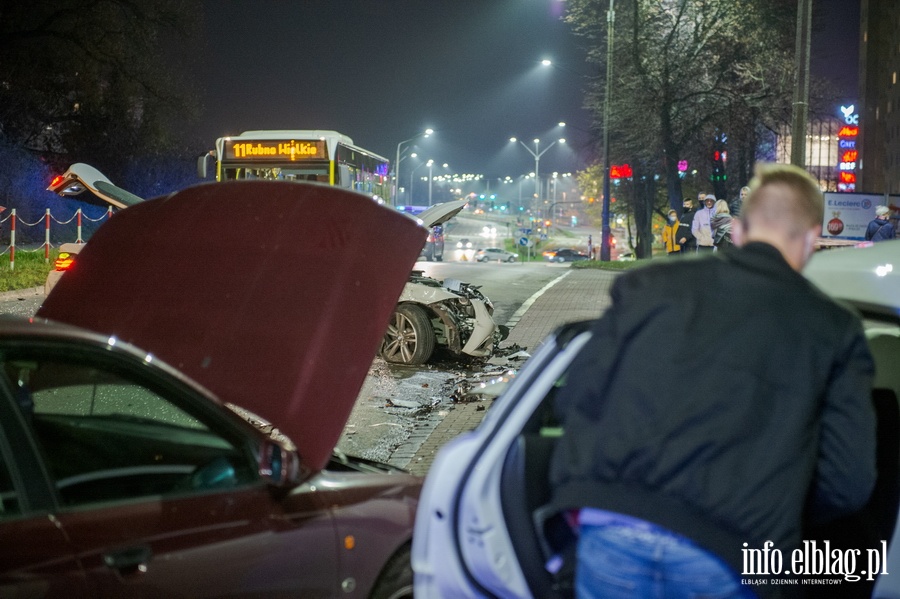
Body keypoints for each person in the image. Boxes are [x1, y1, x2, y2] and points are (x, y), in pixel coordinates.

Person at [549, 163, 876, 599]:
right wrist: (778, 503)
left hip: (611, 529)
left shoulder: (647, 285)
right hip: (731, 553)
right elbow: (847, 480)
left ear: (738, 231)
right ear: (813, 239)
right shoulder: (835, 328)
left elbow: (577, 396)